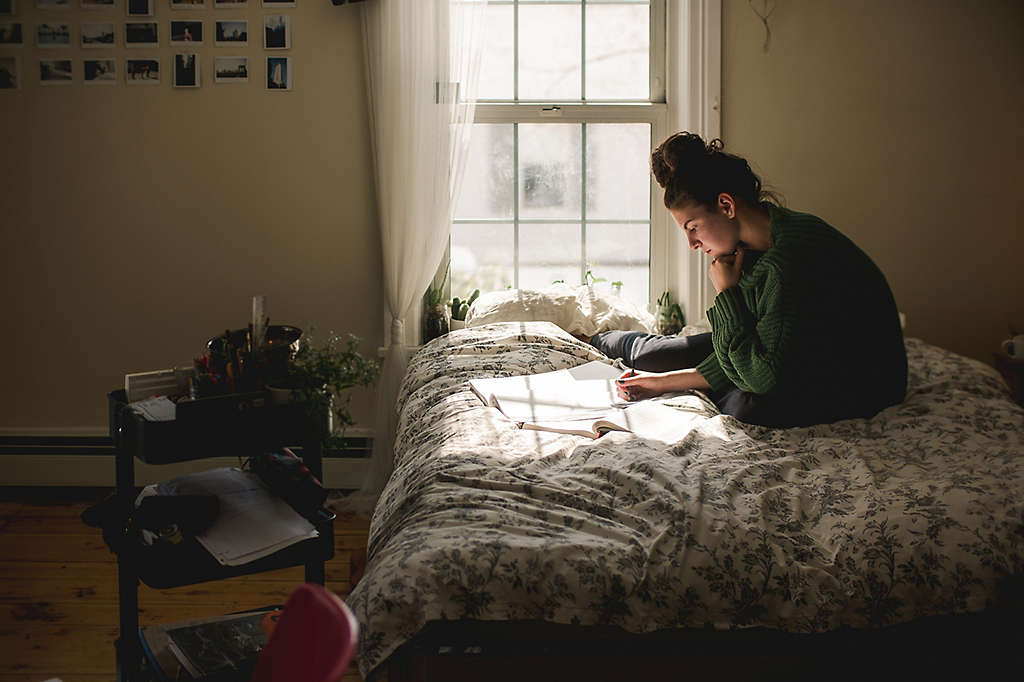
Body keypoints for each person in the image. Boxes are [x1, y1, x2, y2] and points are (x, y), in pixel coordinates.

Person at [589, 132, 907, 428]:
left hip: (858, 383)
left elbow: (759, 375)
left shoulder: (789, 258)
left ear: (726, 205)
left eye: (693, 227)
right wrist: (660, 383)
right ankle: (594, 339)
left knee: (749, 408)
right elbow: (744, 347)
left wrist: (727, 293)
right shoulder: (752, 246)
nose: (692, 244)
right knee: (654, 358)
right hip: (788, 352)